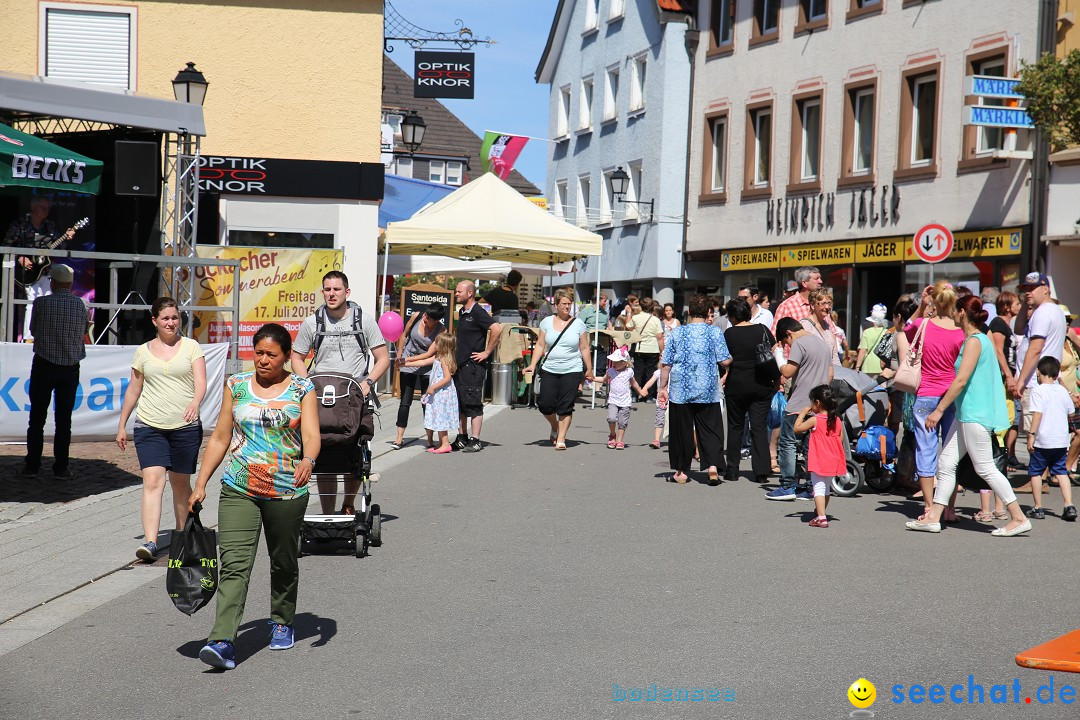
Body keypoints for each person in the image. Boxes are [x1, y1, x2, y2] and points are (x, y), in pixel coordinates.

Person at [190, 323, 320, 670]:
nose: (263, 360)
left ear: (285, 356)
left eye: (270, 355)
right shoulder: (236, 384)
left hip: (286, 489)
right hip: (239, 487)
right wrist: (201, 482)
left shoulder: (301, 388)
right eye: (258, 352)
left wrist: (308, 459)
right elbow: (220, 436)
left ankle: (281, 620)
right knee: (234, 565)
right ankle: (222, 640)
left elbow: (311, 433)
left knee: (283, 560)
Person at [905, 297, 1030, 536]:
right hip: (966, 413)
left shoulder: (975, 341)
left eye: (954, 309)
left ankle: (1018, 516)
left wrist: (939, 409)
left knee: (985, 467)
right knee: (946, 463)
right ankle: (933, 517)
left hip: (974, 413)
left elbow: (961, 380)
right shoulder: (977, 339)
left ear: (962, 313)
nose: (951, 313)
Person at [116, 297, 207, 561]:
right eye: (165, 318)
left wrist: (195, 402)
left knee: (180, 484)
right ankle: (151, 542)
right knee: (152, 481)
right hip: (150, 426)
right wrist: (122, 424)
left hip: (184, 427)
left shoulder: (191, 347)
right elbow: (134, 389)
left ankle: (182, 538)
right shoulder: (143, 351)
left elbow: (201, 382)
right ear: (154, 321)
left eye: (175, 317)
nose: (171, 322)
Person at [290, 271, 389, 514]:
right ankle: (326, 511)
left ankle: (348, 504)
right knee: (323, 455)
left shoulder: (364, 321)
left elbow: (383, 358)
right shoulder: (312, 323)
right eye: (327, 289)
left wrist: (368, 382)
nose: (331, 294)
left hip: (354, 397)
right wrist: (306, 384)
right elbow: (296, 356)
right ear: (322, 292)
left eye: (336, 289)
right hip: (320, 397)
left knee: (353, 452)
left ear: (347, 292)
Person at [20, 264, 88, 480]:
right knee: (64, 420)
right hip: (69, 367)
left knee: (37, 418)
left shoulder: (41, 303)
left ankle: (32, 465)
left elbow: (33, 330)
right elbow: (84, 331)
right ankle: (61, 467)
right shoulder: (81, 305)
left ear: (53, 282)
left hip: (44, 364)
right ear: (70, 284)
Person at [657, 294, 732, 485]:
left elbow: (666, 364)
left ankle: (681, 471)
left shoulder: (677, 333)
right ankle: (713, 467)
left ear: (689, 312)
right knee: (710, 428)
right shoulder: (714, 332)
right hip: (707, 387)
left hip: (681, 388)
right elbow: (724, 360)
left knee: (681, 430)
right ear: (709, 312)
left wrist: (663, 387)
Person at [905, 282, 965, 521]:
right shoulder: (961, 331)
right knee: (952, 452)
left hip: (926, 395)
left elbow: (905, 328)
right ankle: (949, 508)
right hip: (952, 395)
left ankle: (929, 506)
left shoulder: (923, 325)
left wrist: (921, 305)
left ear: (934, 300)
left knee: (926, 450)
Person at [768, 317, 834, 500]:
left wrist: (778, 353)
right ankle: (812, 487)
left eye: (786, 341)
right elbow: (830, 374)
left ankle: (787, 486)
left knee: (787, 442)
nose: (788, 345)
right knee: (809, 446)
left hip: (799, 403)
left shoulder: (799, 343)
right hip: (817, 404)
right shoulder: (822, 343)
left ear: (789, 333)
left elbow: (787, 372)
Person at [524, 288, 593, 450]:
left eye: (569, 304)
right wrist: (533, 365)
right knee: (545, 405)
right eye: (564, 304)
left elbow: (584, 348)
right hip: (550, 368)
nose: (567, 307)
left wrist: (588, 369)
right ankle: (554, 426)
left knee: (565, 405)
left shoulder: (578, 324)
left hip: (572, 369)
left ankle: (561, 438)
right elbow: (540, 345)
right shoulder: (546, 322)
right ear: (556, 305)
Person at [723, 298, 778, 482]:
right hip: (761, 384)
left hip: (736, 385)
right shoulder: (762, 329)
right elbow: (773, 346)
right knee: (759, 428)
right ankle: (761, 471)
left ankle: (732, 470)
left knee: (735, 427)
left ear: (732, 316)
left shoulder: (729, 333)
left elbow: (724, 359)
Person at [5, 196, 75, 340]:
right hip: (27, 272)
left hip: (45, 271)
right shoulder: (20, 224)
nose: (46, 211)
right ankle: (29, 337)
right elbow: (7, 245)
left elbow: (60, 247)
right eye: (43, 207)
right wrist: (20, 257)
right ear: (34, 208)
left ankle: (46, 335)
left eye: (48, 208)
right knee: (33, 300)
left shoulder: (49, 226)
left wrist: (66, 238)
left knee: (48, 300)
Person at [451, 280, 503, 453]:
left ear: (470, 293)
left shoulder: (478, 312)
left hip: (473, 366)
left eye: (459, 291)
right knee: (460, 403)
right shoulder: (463, 312)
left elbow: (496, 329)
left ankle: (476, 439)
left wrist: (486, 352)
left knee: (473, 403)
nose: (456, 294)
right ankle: (461, 437)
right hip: (460, 364)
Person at [1024, 356, 1077, 522]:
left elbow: (1037, 414)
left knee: (1035, 472)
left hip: (1043, 440)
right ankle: (1069, 505)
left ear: (1039, 372)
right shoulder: (1062, 390)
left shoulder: (1038, 391)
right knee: (1061, 471)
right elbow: (1072, 412)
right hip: (1061, 440)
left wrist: (1031, 435)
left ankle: (1038, 507)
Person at [1013, 274, 1066, 428]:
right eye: (1026, 289)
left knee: (1035, 436)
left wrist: (1021, 381)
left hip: (1035, 383)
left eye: (1032, 288)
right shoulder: (1052, 310)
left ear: (1045, 289)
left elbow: (1036, 349)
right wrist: (1026, 303)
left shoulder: (1043, 313)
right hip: (1045, 381)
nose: (1028, 292)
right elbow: (1018, 328)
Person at [390, 303, 446, 450]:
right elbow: (404, 334)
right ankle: (399, 437)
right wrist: (400, 354)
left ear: (437, 320)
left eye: (428, 317)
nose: (425, 318)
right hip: (408, 362)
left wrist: (406, 361)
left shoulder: (441, 330)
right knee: (405, 401)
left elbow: (429, 354)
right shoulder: (416, 317)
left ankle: (429, 439)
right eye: (425, 315)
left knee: (426, 403)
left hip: (426, 367)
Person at [793, 385, 845, 528]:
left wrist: (802, 414)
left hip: (819, 459)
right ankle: (821, 513)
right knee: (826, 488)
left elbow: (797, 429)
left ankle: (821, 518)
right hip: (833, 459)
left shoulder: (816, 419)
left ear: (817, 403)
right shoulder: (837, 420)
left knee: (818, 488)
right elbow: (840, 439)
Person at [403, 333, 459, 454]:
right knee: (438, 417)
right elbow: (423, 362)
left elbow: (447, 378)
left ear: (443, 346)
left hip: (442, 393)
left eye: (437, 342)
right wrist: (405, 364)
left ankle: (445, 443)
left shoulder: (444, 360)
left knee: (441, 418)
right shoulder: (438, 357)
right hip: (438, 393)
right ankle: (441, 442)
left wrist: (433, 387)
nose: (434, 344)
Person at [988, 291, 1022, 466]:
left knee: (1009, 415)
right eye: (1016, 303)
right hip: (1001, 378)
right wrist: (1009, 376)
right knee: (1005, 416)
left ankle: (1000, 456)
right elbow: (997, 351)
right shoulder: (998, 323)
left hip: (1007, 377)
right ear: (1007, 307)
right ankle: (996, 456)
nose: (1019, 306)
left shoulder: (1006, 325)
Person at [601, 346, 644, 449]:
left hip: (625, 401)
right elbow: (603, 379)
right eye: (613, 361)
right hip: (613, 400)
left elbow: (634, 383)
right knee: (611, 419)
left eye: (617, 362)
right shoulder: (610, 371)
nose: (614, 364)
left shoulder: (629, 372)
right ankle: (612, 435)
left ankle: (620, 440)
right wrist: (593, 379)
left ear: (625, 363)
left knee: (622, 422)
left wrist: (640, 391)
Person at [631, 297, 665, 402]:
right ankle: (649, 396)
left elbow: (628, 327)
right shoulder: (655, 320)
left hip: (639, 348)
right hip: (653, 349)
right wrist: (662, 350)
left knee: (638, 372)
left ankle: (635, 395)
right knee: (651, 372)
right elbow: (659, 337)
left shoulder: (636, 317)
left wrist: (629, 314)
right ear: (652, 307)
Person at [771, 266, 821, 334]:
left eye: (820, 278)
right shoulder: (787, 307)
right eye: (816, 279)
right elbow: (776, 335)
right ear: (804, 283)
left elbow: (833, 333)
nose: (820, 281)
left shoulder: (822, 304)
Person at [800, 288, 842, 366]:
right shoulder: (805, 326)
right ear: (812, 305)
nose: (827, 307)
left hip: (828, 374)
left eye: (829, 303)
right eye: (823, 303)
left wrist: (839, 371)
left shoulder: (826, 325)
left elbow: (833, 355)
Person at [855, 303, 889, 378]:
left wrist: (857, 367)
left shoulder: (867, 332)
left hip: (868, 367)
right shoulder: (887, 332)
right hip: (882, 367)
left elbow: (863, 350)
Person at [639, 367, 668, 449]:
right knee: (659, 420)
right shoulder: (659, 372)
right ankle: (656, 440)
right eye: (661, 356)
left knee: (673, 422)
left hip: (674, 401)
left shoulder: (676, 371)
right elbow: (651, 381)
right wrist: (645, 388)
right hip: (662, 400)